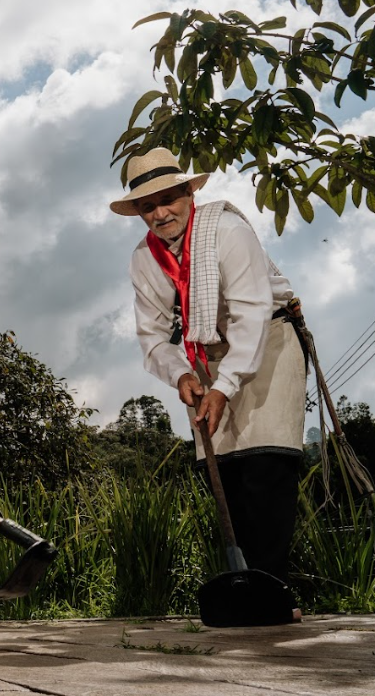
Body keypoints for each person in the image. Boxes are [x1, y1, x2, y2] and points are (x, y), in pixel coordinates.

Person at [111, 147, 305, 585]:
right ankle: (244, 587)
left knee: (266, 466)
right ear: (139, 212)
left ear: (188, 194)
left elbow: (251, 313)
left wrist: (225, 386)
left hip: (267, 341)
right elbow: (152, 336)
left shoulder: (228, 231)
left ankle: (271, 591)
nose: (161, 214)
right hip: (204, 354)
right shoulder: (144, 259)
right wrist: (181, 375)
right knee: (226, 472)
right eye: (148, 207)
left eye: (168, 200)